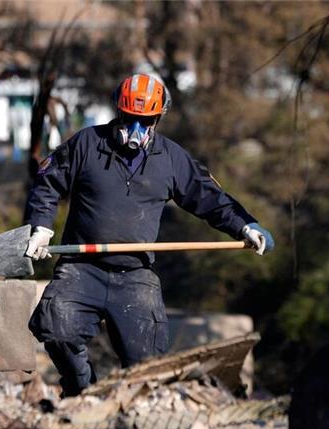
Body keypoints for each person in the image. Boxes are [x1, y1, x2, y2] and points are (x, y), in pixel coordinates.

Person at [24, 73, 274, 397]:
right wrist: (41, 227)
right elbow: (47, 182)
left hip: (136, 275)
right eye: (130, 119)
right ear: (119, 112)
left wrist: (245, 225)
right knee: (56, 329)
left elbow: (209, 197)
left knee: (149, 369)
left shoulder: (171, 159)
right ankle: (82, 393)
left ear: (157, 119)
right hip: (80, 268)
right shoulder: (86, 143)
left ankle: (133, 417)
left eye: (145, 121)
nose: (136, 128)